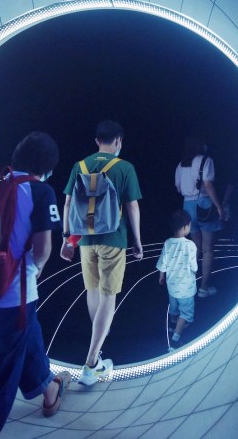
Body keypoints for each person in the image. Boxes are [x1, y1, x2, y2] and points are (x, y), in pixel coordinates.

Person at [0, 131, 70, 439]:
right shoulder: (41, 191)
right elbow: (44, 249)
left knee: (28, 336)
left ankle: (49, 391)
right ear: (46, 166)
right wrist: (33, 271)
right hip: (12, 298)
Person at [60, 120, 144, 386]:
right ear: (118, 140)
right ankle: (92, 362)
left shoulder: (80, 166)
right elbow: (132, 207)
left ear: (97, 141)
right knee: (109, 296)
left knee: (93, 291)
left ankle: (97, 351)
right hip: (113, 239)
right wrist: (138, 240)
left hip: (85, 240)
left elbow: (68, 203)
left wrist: (67, 239)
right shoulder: (125, 167)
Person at [175, 134, 224, 297]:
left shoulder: (181, 165)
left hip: (187, 207)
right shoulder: (206, 160)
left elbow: (179, 189)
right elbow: (208, 185)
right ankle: (203, 287)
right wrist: (219, 207)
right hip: (204, 205)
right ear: (200, 144)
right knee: (208, 249)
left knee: (195, 247)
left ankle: (189, 284)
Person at [157, 209, 197, 351]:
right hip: (186, 287)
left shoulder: (168, 243)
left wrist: (162, 276)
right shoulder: (190, 245)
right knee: (185, 313)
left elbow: (163, 262)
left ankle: (173, 324)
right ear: (186, 227)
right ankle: (175, 340)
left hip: (172, 286)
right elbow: (194, 266)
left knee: (174, 308)